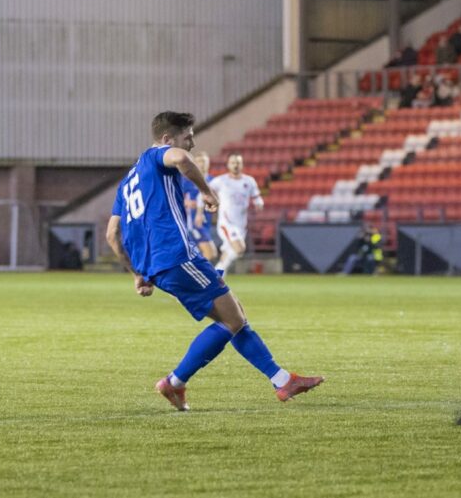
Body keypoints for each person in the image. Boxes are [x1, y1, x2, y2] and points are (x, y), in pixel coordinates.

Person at [106, 111, 323, 411]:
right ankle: (175, 382)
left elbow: (112, 234)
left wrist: (136, 273)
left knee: (233, 315)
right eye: (187, 138)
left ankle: (282, 380)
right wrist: (207, 192)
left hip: (159, 266)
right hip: (177, 255)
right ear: (168, 139)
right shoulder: (157, 156)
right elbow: (181, 160)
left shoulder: (127, 182)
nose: (192, 143)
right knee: (233, 319)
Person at [208, 154, 264, 273]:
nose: (235, 165)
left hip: (241, 225)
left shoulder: (249, 181)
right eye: (233, 162)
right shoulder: (220, 181)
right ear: (228, 165)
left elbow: (257, 197)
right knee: (239, 249)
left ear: (242, 164)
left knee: (229, 253)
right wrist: (209, 203)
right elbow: (205, 191)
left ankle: (217, 277)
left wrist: (259, 204)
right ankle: (216, 275)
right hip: (226, 223)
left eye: (238, 163)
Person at [182, 152, 218, 263]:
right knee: (210, 253)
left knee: (196, 254)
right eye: (199, 161)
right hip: (194, 222)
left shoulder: (213, 181)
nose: (201, 164)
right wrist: (187, 203)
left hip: (207, 221)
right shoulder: (187, 180)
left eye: (204, 161)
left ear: (208, 163)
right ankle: (202, 276)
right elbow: (177, 198)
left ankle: (194, 275)